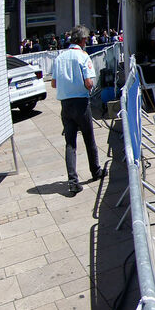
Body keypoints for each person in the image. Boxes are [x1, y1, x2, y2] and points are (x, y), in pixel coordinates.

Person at [51, 25, 105, 195]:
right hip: (81, 103)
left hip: (65, 105)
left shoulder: (59, 58)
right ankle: (95, 171)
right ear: (82, 40)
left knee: (70, 143)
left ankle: (72, 181)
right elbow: (89, 82)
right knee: (89, 139)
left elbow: (53, 83)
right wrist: (89, 88)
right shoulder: (83, 56)